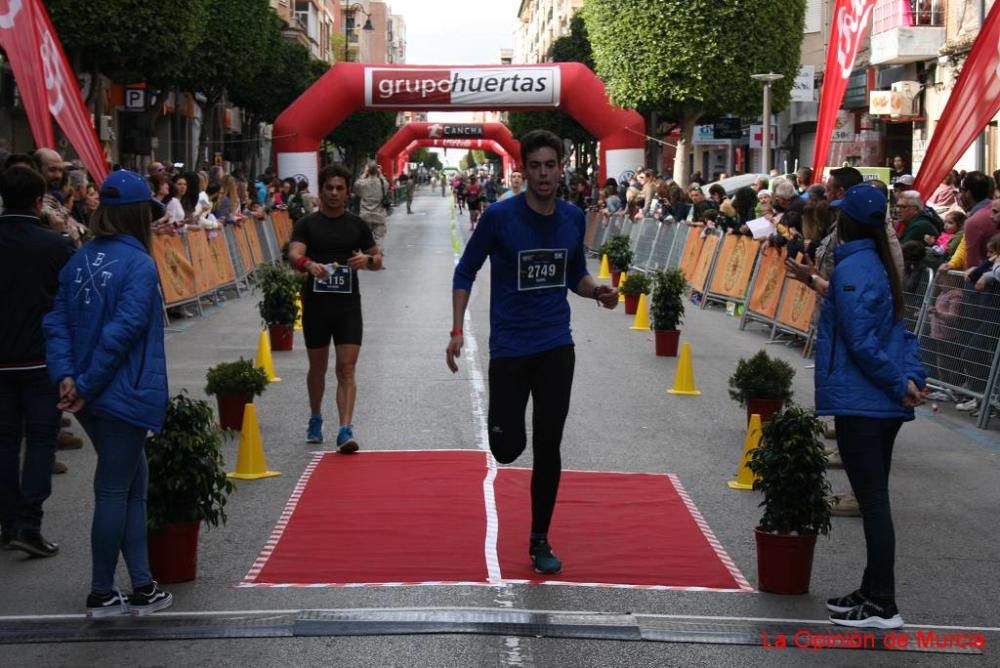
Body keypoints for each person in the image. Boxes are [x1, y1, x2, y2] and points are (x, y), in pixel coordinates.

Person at [446, 130, 618, 575]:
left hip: (555, 345)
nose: (543, 174)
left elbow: (575, 275)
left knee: (549, 443)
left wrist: (596, 290)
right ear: (524, 170)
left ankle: (540, 537)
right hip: (509, 348)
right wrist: (455, 330)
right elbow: (465, 271)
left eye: (550, 165)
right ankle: (506, 434)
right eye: (535, 166)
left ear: (561, 168)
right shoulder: (500, 218)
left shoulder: (573, 218)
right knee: (506, 448)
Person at [42, 170, 173, 617]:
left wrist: (67, 376)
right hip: (123, 391)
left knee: (132, 485)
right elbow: (124, 331)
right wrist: (84, 382)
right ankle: (102, 590)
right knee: (117, 489)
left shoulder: (78, 259)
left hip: (90, 395)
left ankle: (142, 584)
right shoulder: (139, 264)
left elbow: (55, 322)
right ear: (139, 215)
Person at [815, 184, 926, 630]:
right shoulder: (877, 263)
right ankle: (873, 590)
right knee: (874, 499)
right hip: (875, 397)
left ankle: (882, 602)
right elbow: (900, 329)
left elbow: (862, 341)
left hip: (864, 400)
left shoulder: (855, 267)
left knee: (874, 501)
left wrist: (903, 383)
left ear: (849, 222)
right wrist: (911, 378)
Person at [0, 166, 76, 558]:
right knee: (41, 441)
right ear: (36, 201)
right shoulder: (54, 244)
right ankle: (29, 523)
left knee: (6, 441)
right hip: (40, 356)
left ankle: (8, 520)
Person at [288, 164, 383, 451]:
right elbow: (294, 253)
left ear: (347, 192)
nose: (334, 193)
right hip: (316, 306)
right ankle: (316, 417)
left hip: (347, 307)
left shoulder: (357, 225)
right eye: (329, 187)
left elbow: (378, 259)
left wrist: (366, 262)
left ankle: (345, 429)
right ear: (322, 190)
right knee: (317, 368)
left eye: (339, 188)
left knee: (347, 368)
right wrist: (308, 264)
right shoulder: (308, 224)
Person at [354, 164, 390, 246]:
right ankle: (378, 255)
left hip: (365, 215)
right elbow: (387, 184)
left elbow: (356, 187)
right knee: (379, 239)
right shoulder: (382, 184)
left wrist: (364, 173)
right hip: (379, 215)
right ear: (377, 171)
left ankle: (368, 256)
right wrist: (380, 174)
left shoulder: (362, 183)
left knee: (365, 239)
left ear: (368, 171)